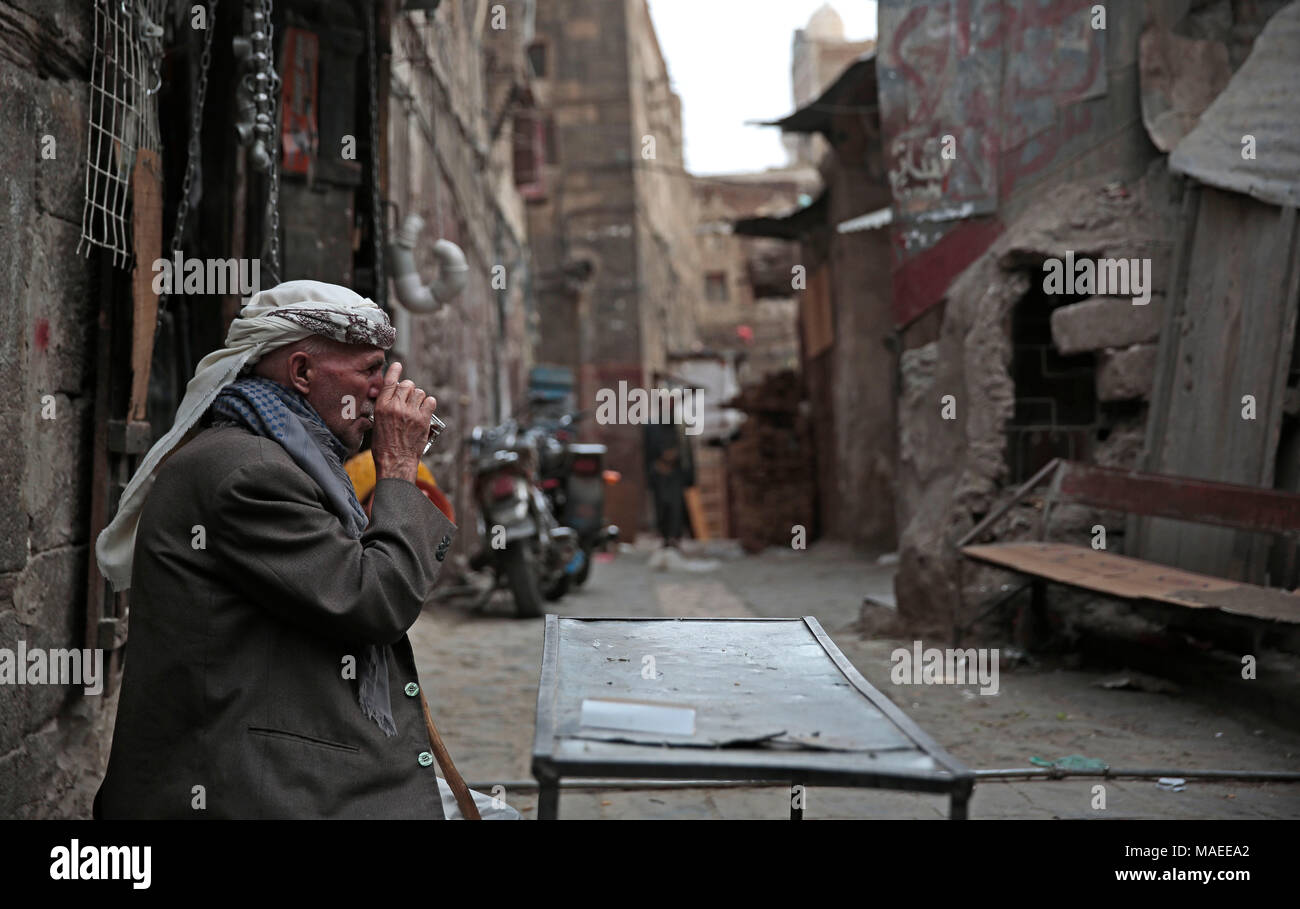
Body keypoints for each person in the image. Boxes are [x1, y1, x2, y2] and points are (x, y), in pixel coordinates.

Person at [92, 280, 463, 819]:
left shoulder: (287, 459)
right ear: (303, 373)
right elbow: (375, 602)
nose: (384, 391)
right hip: (237, 788)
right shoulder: (250, 472)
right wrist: (401, 470)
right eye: (370, 370)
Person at [643, 394, 694, 549]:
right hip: (659, 472)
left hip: (676, 473)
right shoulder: (652, 426)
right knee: (661, 506)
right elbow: (647, 452)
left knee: (676, 507)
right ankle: (665, 536)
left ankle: (675, 537)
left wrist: (689, 475)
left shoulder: (680, 426)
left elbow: (687, 452)